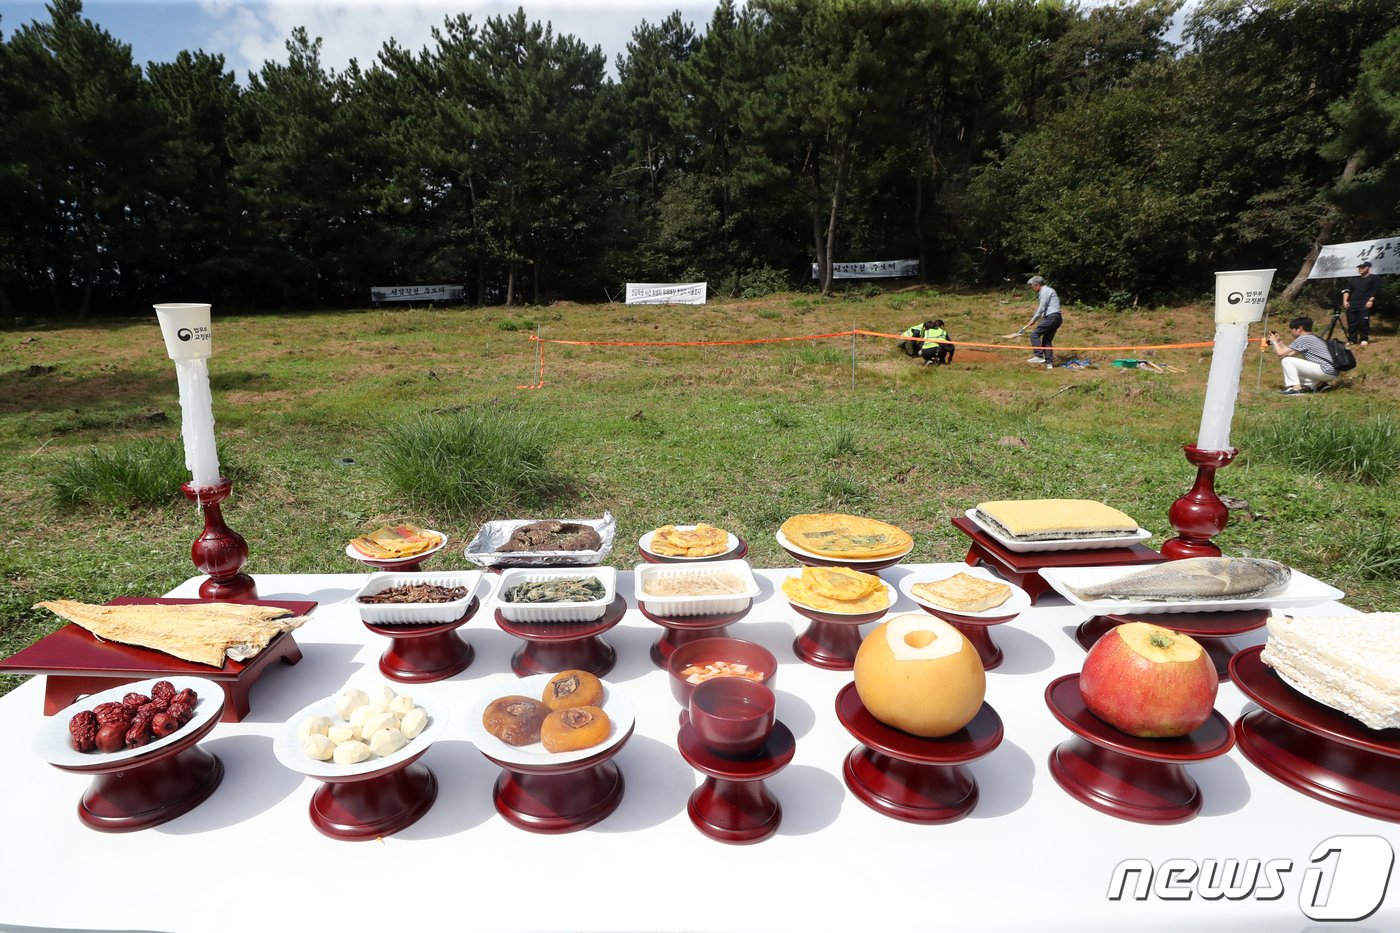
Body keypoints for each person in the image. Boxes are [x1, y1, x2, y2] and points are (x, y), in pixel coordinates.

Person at [1267, 316, 1338, 395]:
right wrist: (1279, 341)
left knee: (1286, 361)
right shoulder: (1313, 337)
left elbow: (1281, 353)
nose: (1291, 332)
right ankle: (1319, 385)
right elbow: (1289, 354)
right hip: (1331, 372)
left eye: (1292, 329)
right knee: (1289, 362)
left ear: (1300, 329)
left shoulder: (1304, 338)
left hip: (1325, 370)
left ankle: (1296, 389)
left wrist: (1274, 342)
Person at [1019, 275, 1061, 366]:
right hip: (1056, 318)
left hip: (1052, 317)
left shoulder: (1045, 291)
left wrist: (1033, 319)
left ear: (1037, 284)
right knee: (1047, 340)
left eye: (1032, 286)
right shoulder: (1049, 290)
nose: (1032, 289)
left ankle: (1038, 356)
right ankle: (1049, 363)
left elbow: (1041, 308)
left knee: (1034, 334)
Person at [1340, 259, 1379, 346]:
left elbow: (1375, 290)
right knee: (1352, 322)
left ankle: (1364, 338)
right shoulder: (1354, 279)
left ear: (1367, 267)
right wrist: (1345, 300)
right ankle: (1352, 339)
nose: (1360, 269)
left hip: (1364, 303)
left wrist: (1371, 300)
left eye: (1362, 267)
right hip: (1352, 303)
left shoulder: (1373, 278)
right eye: (1359, 267)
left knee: (1363, 321)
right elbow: (1347, 290)